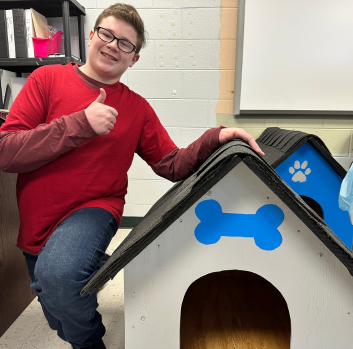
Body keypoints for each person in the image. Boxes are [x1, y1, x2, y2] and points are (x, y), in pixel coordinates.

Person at [0, 3, 264, 349]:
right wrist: (80, 124)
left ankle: (92, 343)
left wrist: (215, 137)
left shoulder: (137, 108)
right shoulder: (46, 79)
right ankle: (92, 264)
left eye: (125, 44)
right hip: (38, 218)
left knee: (61, 279)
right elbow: (7, 152)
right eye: (107, 34)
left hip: (94, 208)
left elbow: (171, 164)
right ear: (92, 36)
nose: (113, 45)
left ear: (134, 59)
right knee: (56, 308)